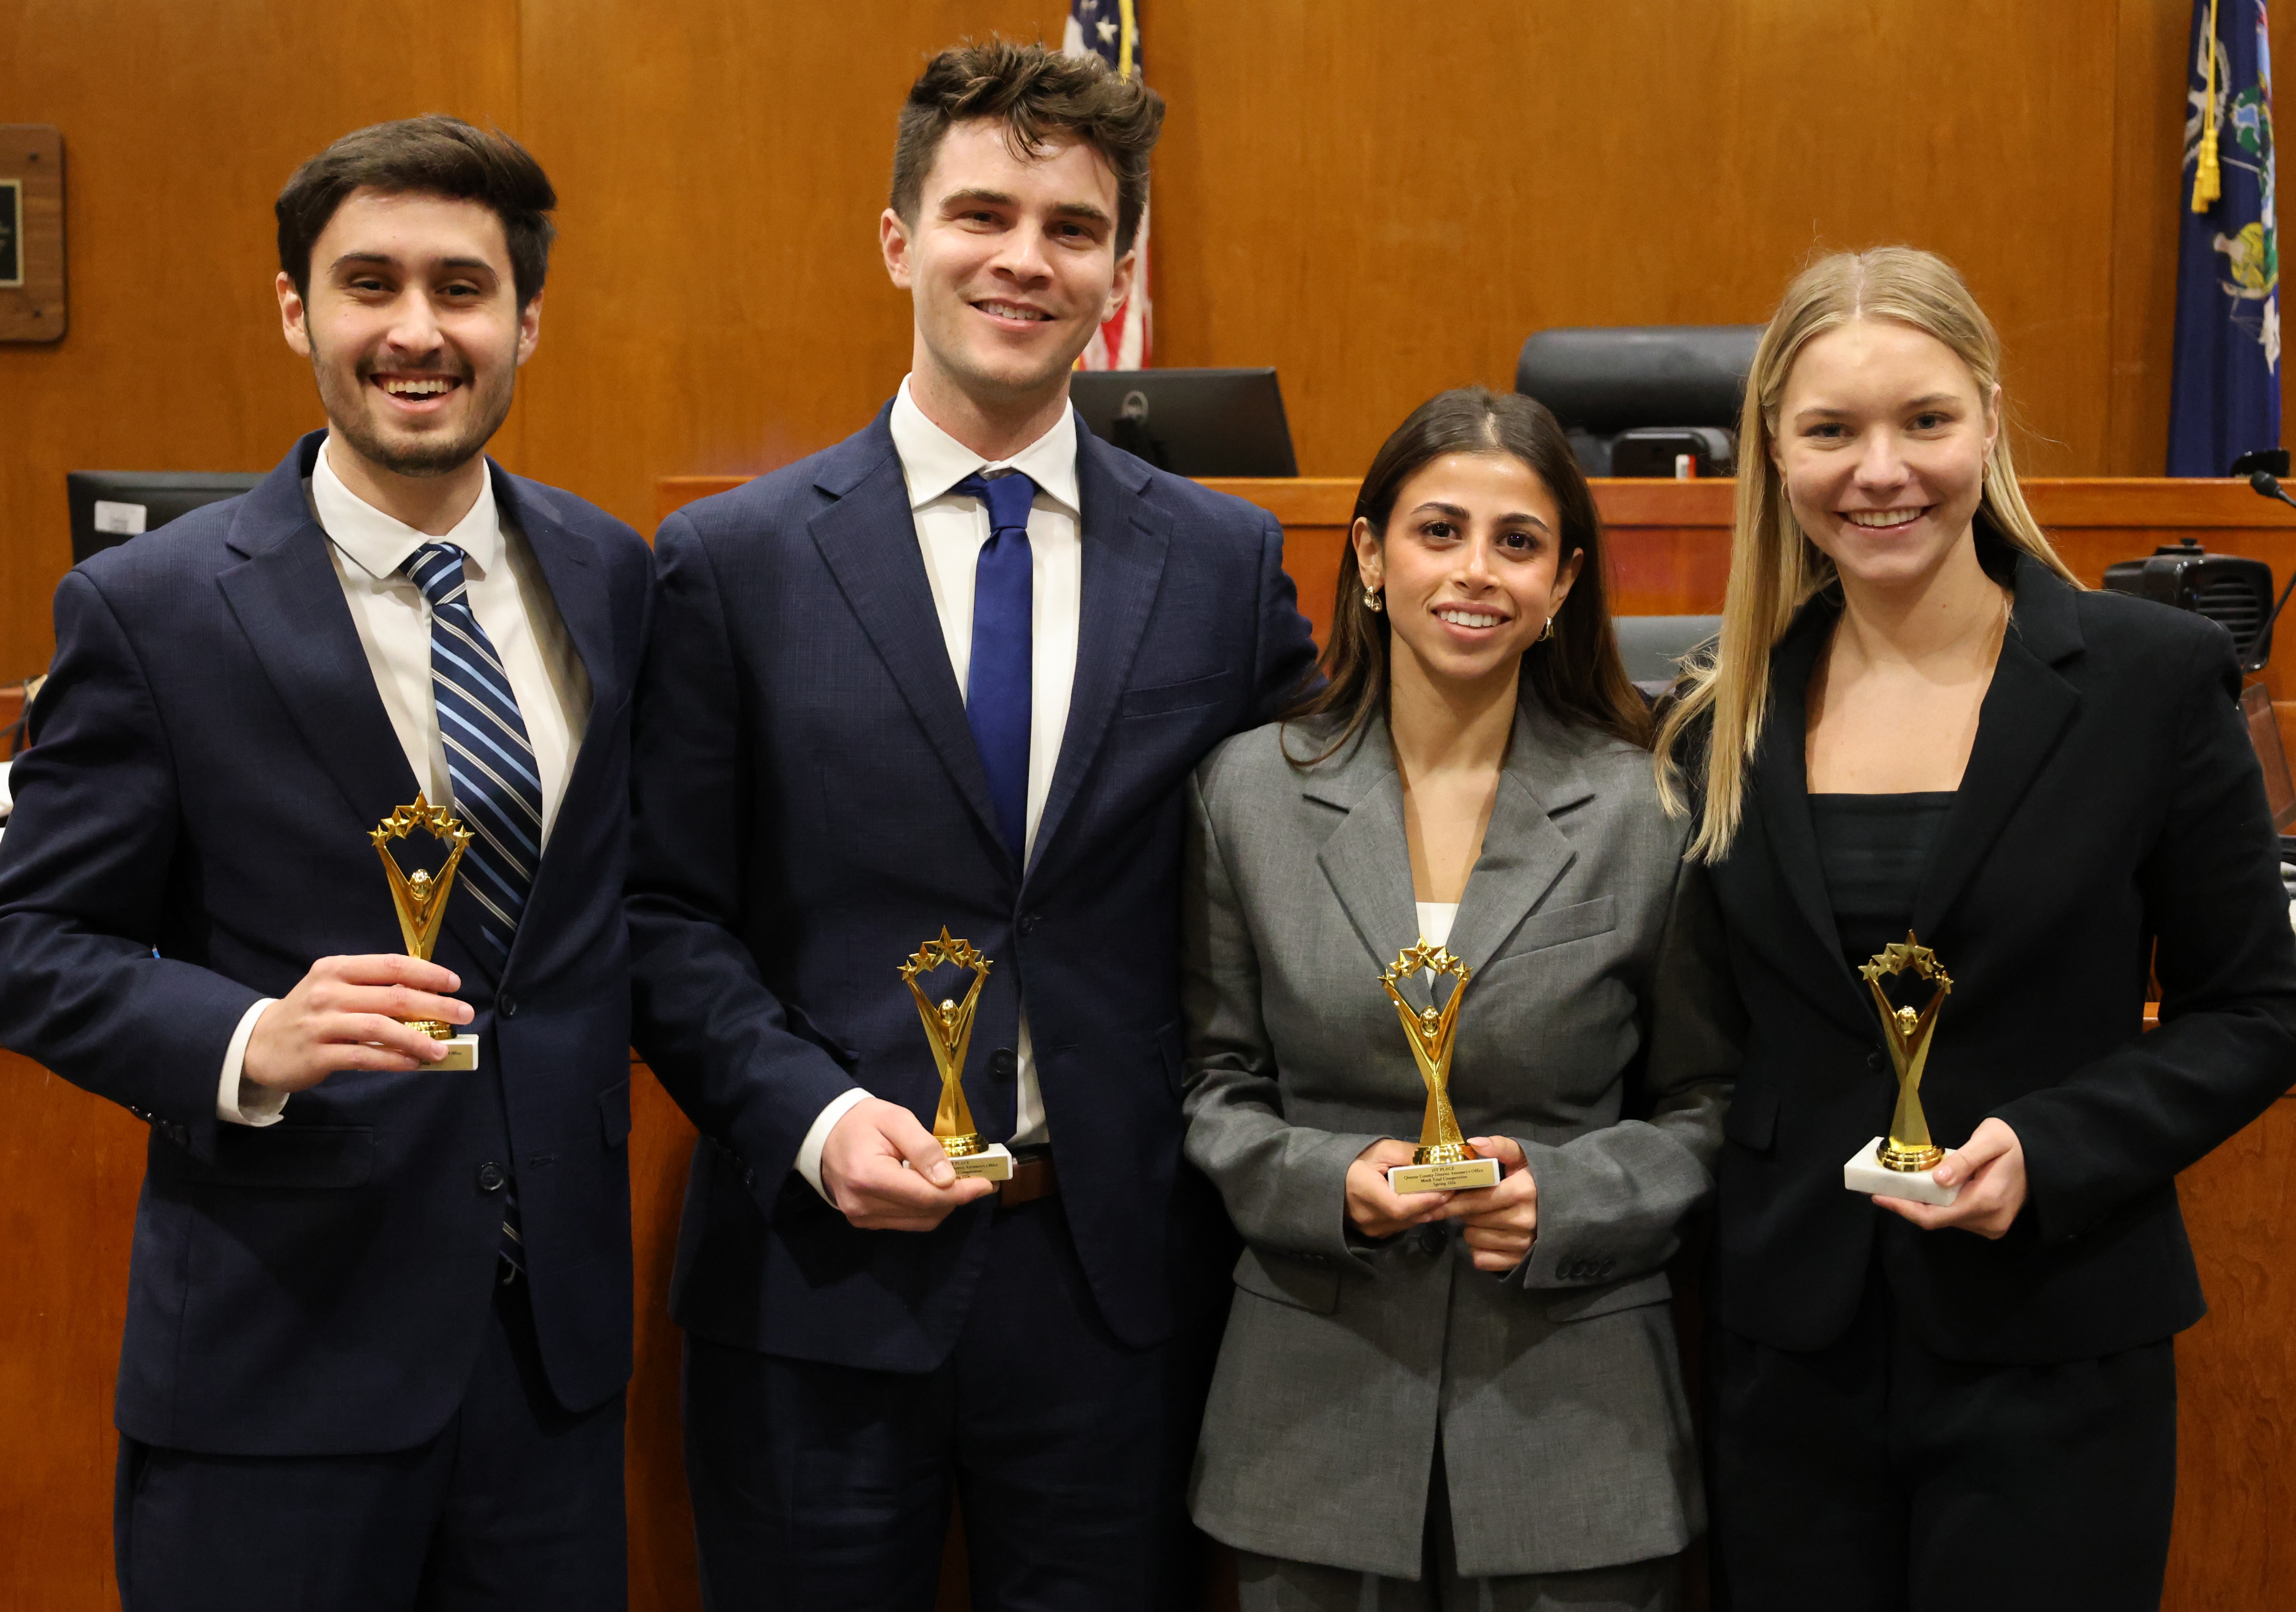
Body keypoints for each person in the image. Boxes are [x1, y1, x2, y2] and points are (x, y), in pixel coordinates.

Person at [625, 38, 1319, 1612]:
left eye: (1072, 228)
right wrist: (807, 1116)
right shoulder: (729, 563)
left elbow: (1321, 848)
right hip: (812, 1279)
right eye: (981, 213)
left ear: (1117, 268)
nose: (1024, 258)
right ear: (897, 239)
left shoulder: (1220, 565)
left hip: (1113, 1286)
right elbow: (660, 914)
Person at [0, 118, 652, 1611]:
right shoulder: (148, 610)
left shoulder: (612, 574)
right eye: (369, 285)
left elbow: (623, 920)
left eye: (462, 289)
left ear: (527, 320)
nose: (416, 332)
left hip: (547, 1372)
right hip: (271, 1370)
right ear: (296, 309)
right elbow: (27, 934)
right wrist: (244, 1036)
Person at [1656, 247, 2296, 1610]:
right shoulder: (1722, 717)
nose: (1878, 471)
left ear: (1989, 420)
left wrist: (2050, 1150)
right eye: (1830, 430)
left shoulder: (2151, 680)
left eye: (1923, 422)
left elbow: (2257, 1009)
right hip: (1789, 1359)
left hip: (2055, 1339)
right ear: (1773, 453)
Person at [1181, 386, 1737, 1612]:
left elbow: (1711, 1099)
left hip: (1575, 1414)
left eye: (1517, 541)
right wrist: (1328, 1183)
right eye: (1437, 531)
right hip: (1310, 1419)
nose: (1474, 572)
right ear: (1370, 556)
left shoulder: (1649, 806)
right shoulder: (1245, 795)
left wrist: (1575, 1198)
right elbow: (1212, 1086)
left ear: (1562, 584)